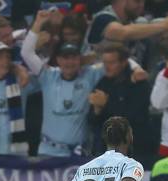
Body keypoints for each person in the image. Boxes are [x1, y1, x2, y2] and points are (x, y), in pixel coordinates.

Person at [21, 10, 106, 157]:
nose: (69, 62)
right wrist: (38, 23)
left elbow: (116, 59)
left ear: (80, 60)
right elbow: (26, 53)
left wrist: (136, 68)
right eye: (65, 58)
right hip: (48, 152)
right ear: (58, 60)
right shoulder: (48, 76)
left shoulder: (90, 74)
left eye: (73, 58)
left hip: (79, 154)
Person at [88, 45, 152, 159]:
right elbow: (92, 121)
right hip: (106, 149)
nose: (107, 67)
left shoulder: (138, 83)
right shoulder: (103, 83)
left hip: (135, 149)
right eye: (105, 63)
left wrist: (106, 104)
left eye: (112, 63)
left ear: (123, 62)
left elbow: (134, 117)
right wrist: (97, 111)